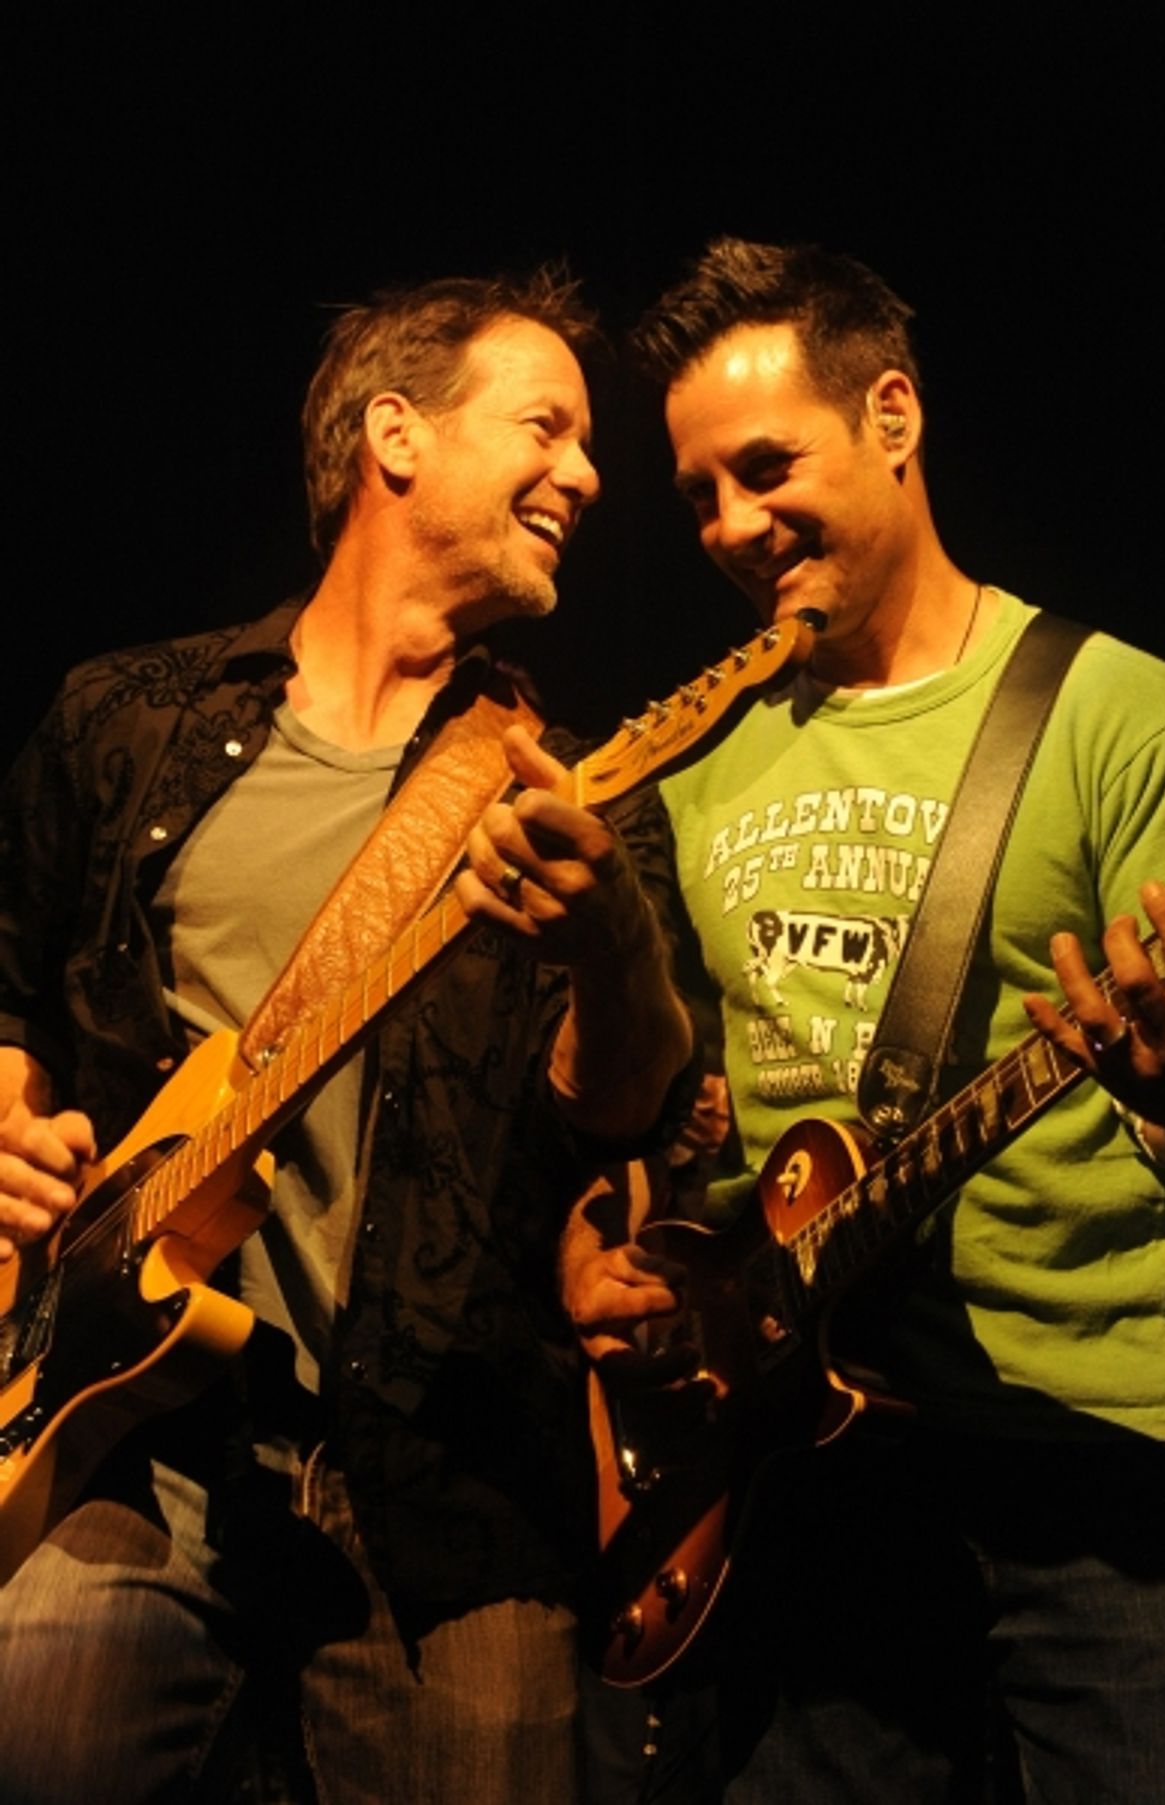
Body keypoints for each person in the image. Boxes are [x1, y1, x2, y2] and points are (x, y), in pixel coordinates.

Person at [0, 269, 693, 1804]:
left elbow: (629, 1105)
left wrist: (612, 945)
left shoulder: (575, 790)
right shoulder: (127, 720)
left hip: (449, 1493)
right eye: (549, 426)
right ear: (396, 434)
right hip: (128, 1449)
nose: (589, 473)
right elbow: (12, 980)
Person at [566, 239, 1165, 1802]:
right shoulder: (699, 762)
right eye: (699, 494)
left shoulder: (1119, 708)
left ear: (894, 416)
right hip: (804, 1477)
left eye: (765, 468)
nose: (730, 525)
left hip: (1089, 1460)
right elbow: (675, 1110)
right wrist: (625, 1239)